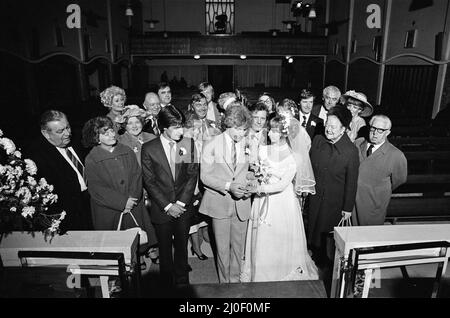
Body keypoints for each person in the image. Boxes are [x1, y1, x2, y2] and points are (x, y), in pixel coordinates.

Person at [241, 114, 318, 282]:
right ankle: (259, 271)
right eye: (270, 131)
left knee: (278, 235)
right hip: (262, 199)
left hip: (281, 201)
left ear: (284, 133)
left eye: (274, 132)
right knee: (263, 236)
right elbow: (255, 171)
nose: (269, 134)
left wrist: (258, 188)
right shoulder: (262, 150)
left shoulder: (294, 156)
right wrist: (254, 178)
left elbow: (282, 185)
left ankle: (280, 271)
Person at [141, 106, 199, 286]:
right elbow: (149, 182)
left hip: (183, 207)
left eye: (181, 126)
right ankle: (166, 286)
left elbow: (192, 175)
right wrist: (168, 205)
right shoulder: (149, 148)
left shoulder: (187, 144)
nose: (180, 131)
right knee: (165, 250)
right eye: (175, 127)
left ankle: (183, 284)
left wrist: (180, 203)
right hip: (161, 208)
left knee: (182, 248)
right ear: (163, 128)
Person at [82, 116, 157, 245]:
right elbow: (97, 188)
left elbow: (136, 175)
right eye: (105, 134)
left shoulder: (126, 150)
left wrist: (132, 198)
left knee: (138, 237)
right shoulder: (92, 159)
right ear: (96, 138)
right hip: (109, 209)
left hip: (133, 202)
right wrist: (122, 202)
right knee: (117, 244)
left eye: (111, 131)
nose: (112, 135)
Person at [199, 104, 253, 283]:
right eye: (238, 129)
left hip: (242, 204)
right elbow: (205, 177)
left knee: (239, 249)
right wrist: (229, 186)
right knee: (222, 249)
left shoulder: (249, 143)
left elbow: (251, 171)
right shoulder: (211, 144)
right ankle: (224, 284)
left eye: (244, 130)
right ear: (228, 124)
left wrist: (251, 182)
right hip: (220, 203)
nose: (241, 133)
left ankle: (235, 282)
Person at [308, 105, 360, 264]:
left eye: (333, 127)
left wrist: (347, 208)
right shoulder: (318, 140)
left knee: (326, 238)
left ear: (343, 129)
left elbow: (352, 182)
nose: (328, 129)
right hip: (314, 197)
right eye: (327, 125)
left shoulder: (350, 151)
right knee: (311, 230)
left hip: (334, 202)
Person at [25, 110, 92, 231]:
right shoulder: (38, 157)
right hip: (72, 216)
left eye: (68, 127)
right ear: (46, 134)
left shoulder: (76, 139)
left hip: (92, 203)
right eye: (60, 131)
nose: (67, 133)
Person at [117, 105, 160, 264]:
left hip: (153, 186)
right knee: (138, 221)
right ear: (124, 126)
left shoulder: (151, 137)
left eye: (137, 122)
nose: (134, 126)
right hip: (134, 187)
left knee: (153, 219)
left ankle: (153, 248)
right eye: (130, 123)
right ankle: (139, 253)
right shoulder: (121, 142)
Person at [184, 93, 222, 261]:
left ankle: (206, 236)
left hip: (209, 173)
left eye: (204, 105)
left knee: (206, 211)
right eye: (198, 105)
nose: (202, 108)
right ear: (192, 106)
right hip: (192, 174)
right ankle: (196, 248)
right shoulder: (187, 126)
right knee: (193, 212)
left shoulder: (212, 124)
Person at [353, 115, 408, 226]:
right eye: (373, 128)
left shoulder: (396, 155)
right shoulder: (358, 144)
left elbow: (399, 180)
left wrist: (379, 189)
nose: (375, 133)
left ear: (387, 132)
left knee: (368, 238)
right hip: (352, 203)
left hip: (373, 204)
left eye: (380, 130)